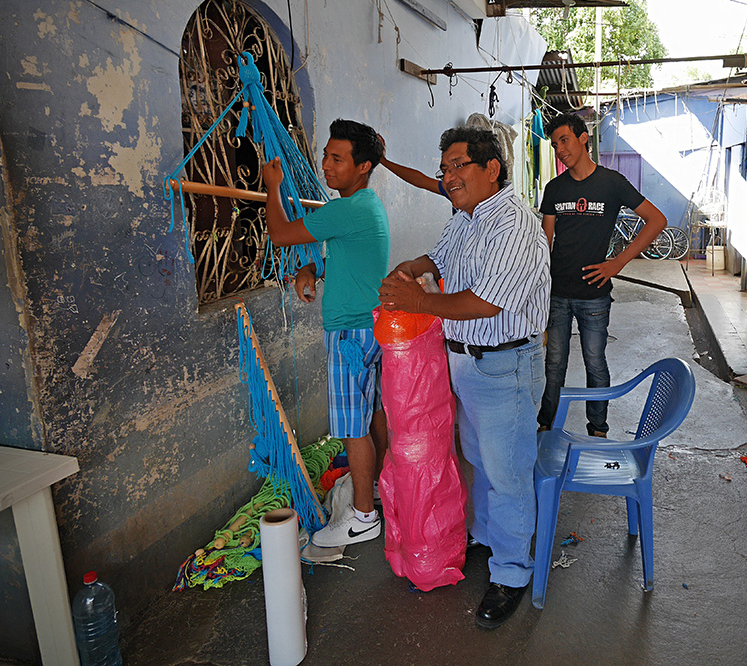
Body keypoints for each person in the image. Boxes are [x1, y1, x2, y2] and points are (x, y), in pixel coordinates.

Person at [378, 126, 549, 630]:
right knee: (477, 458)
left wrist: (420, 301)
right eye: (445, 168)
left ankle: (512, 573)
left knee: (508, 472)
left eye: (458, 165)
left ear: (491, 168)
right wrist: (416, 265)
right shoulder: (467, 218)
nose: (448, 176)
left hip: (504, 364)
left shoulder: (512, 223)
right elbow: (442, 258)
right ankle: (491, 540)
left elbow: (485, 301)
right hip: (468, 362)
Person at [262, 119, 390, 547]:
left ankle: (363, 517)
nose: (326, 165)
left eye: (338, 159)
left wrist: (272, 186)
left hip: (350, 334)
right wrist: (310, 269)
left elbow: (280, 234)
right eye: (326, 156)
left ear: (363, 166)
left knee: (353, 428)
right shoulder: (366, 206)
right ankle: (373, 490)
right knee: (370, 415)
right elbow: (345, 259)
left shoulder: (345, 209)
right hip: (368, 328)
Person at [538, 112, 667, 437]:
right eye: (555, 145)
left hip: (594, 295)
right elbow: (544, 242)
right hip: (557, 294)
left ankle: (598, 428)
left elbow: (656, 220)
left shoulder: (611, 183)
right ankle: (546, 427)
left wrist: (618, 262)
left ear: (583, 138)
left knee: (595, 362)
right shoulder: (554, 189)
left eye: (564, 140)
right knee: (554, 365)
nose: (560, 150)